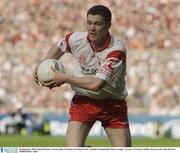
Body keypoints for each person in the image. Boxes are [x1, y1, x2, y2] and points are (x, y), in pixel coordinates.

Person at [33, 5, 131, 147]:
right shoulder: (76, 39)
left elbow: (96, 84)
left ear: (108, 25)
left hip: (113, 105)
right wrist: (42, 66)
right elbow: (62, 44)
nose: (92, 28)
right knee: (72, 150)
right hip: (83, 102)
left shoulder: (117, 50)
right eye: (89, 23)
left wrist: (65, 78)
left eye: (97, 24)